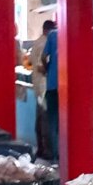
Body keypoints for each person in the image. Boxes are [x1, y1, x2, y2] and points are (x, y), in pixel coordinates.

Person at [31, 21, 57, 159]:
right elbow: (42, 65)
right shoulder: (46, 42)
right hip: (45, 85)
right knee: (47, 120)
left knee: (41, 118)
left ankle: (42, 148)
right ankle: (49, 151)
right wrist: (49, 70)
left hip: (39, 85)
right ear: (49, 30)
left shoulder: (37, 42)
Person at [42, 27, 59, 161]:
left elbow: (43, 56)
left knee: (52, 121)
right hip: (69, 87)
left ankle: (54, 154)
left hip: (52, 84)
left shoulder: (52, 34)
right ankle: (64, 152)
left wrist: (47, 68)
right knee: (65, 121)